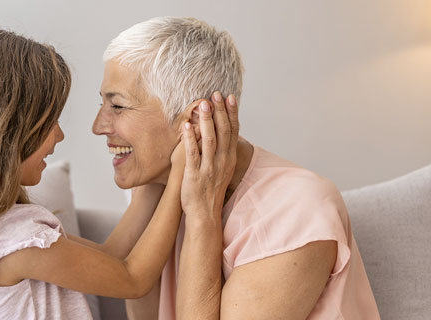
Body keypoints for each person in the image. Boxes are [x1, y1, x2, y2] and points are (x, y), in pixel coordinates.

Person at [0, 25, 239, 319]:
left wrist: (149, 177)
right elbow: (132, 277)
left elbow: (113, 254)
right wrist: (181, 174)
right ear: (4, 134)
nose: (60, 134)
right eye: (49, 122)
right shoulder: (16, 240)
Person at [94, 17, 380, 319]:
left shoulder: (296, 212)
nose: (98, 126)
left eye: (118, 106)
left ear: (192, 121)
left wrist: (202, 214)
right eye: (101, 103)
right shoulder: (154, 188)